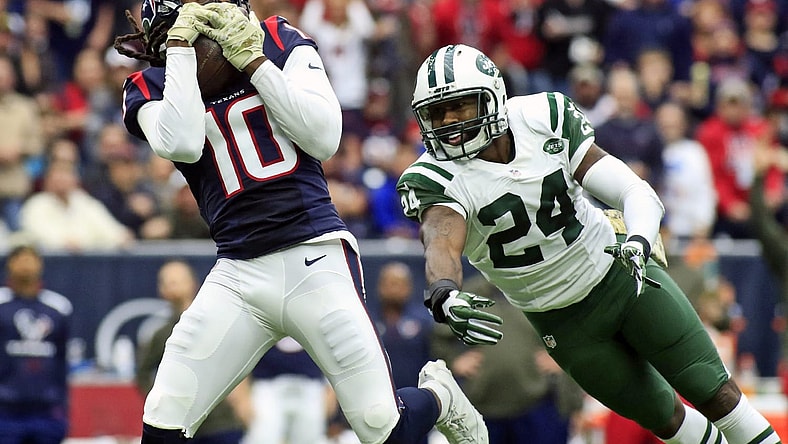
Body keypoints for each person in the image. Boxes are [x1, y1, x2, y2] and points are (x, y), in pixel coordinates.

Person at [114, 2, 487, 444]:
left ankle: (440, 397)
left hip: (314, 257)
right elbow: (184, 143)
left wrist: (255, 64)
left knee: (381, 428)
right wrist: (179, 48)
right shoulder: (148, 86)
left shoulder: (276, 40)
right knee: (163, 421)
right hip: (238, 273)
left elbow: (324, 137)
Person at [396, 43, 783, 444]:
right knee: (666, 419)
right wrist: (444, 292)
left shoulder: (541, 118)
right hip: (562, 323)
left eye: (460, 107)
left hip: (621, 276)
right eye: (437, 113)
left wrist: (638, 240)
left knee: (717, 393)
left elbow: (633, 191)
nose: (448, 122)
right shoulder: (433, 176)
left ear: (493, 97)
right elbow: (440, 239)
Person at [430, 274, 584, 444]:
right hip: (482, 406)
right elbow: (438, 336)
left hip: (535, 403)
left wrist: (559, 357)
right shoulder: (469, 295)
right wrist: (454, 361)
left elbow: (570, 333)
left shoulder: (539, 290)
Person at [136, 259, 250, 444]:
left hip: (222, 422)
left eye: (177, 281)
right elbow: (142, 373)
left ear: (193, 283)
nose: (173, 287)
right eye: (167, 282)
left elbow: (238, 361)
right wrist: (163, 404)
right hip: (184, 426)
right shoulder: (161, 335)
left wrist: (244, 401)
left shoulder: (216, 323)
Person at [0, 244, 73, 444]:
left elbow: (62, 360)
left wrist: (63, 408)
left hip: (47, 411)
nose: (25, 264)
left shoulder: (58, 307)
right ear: (9, 265)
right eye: (19, 258)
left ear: (40, 264)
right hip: (5, 411)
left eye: (30, 258)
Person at [243, 337, 331, 444]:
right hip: (267, 388)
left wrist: (330, 396)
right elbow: (240, 358)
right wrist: (242, 400)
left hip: (312, 389)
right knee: (264, 436)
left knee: (311, 437)